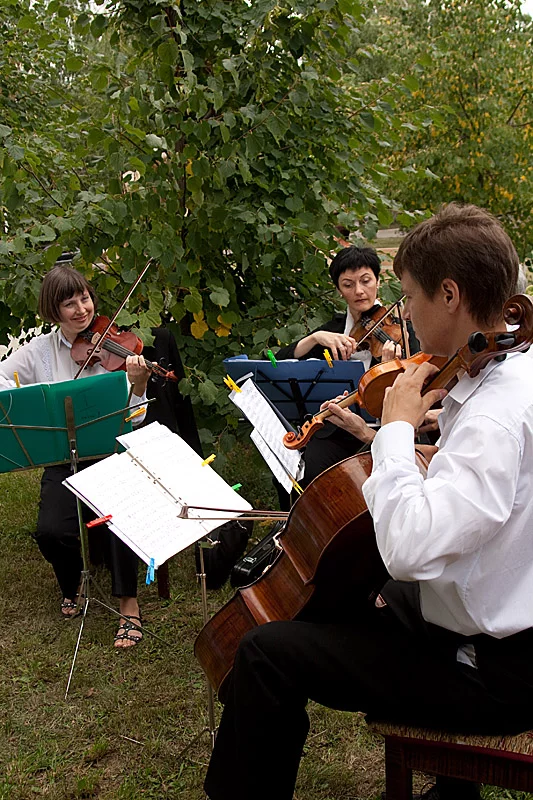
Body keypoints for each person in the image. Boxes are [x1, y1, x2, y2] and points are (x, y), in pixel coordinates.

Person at [203, 203, 533, 800]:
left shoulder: (493, 418)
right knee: (347, 589)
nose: (404, 313)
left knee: (266, 654)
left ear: (450, 295)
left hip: (493, 671)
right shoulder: (514, 371)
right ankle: (453, 793)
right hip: (504, 614)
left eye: (410, 297)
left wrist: (397, 431)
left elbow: (408, 551)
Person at [0, 264, 151, 648]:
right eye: (69, 304)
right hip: (62, 456)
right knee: (51, 531)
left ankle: (129, 606)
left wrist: (138, 385)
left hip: (109, 452)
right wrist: (26, 399)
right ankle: (73, 582)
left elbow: (135, 416)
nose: (82, 309)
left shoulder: (115, 347)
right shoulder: (39, 351)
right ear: (54, 312)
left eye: (84, 298)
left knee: (119, 518)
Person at [276, 245, 418, 490]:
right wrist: (315, 338)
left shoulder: (404, 328)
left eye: (366, 281)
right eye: (348, 284)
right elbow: (281, 361)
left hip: (384, 428)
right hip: (338, 430)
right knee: (302, 474)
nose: (359, 291)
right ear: (339, 290)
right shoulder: (334, 329)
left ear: (377, 281)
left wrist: (390, 370)